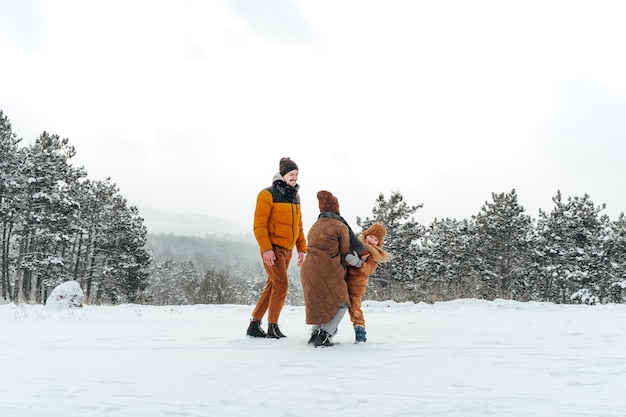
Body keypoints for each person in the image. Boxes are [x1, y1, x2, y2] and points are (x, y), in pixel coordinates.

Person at [246, 157, 307, 339]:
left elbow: (299, 226)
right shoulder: (267, 194)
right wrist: (266, 249)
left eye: (296, 174)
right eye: (291, 174)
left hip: (287, 249)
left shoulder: (295, 197)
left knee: (273, 284)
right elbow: (259, 224)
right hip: (272, 248)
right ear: (282, 175)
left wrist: (302, 249)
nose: (294, 177)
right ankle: (273, 326)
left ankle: (254, 325)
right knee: (281, 284)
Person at [300, 190, 364, 347]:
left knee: (322, 302)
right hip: (328, 269)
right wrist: (359, 263)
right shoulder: (340, 226)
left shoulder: (315, 225)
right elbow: (345, 253)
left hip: (308, 269)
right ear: (336, 208)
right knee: (342, 302)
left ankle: (315, 334)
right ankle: (325, 334)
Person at [344, 223, 392, 343]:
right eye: (371, 236)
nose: (372, 241)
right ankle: (329, 329)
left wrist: (358, 263)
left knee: (355, 309)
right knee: (336, 307)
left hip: (356, 285)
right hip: (342, 280)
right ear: (366, 234)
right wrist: (351, 260)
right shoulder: (355, 244)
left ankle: (360, 330)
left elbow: (369, 269)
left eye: (376, 240)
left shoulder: (373, 254)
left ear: (378, 243)